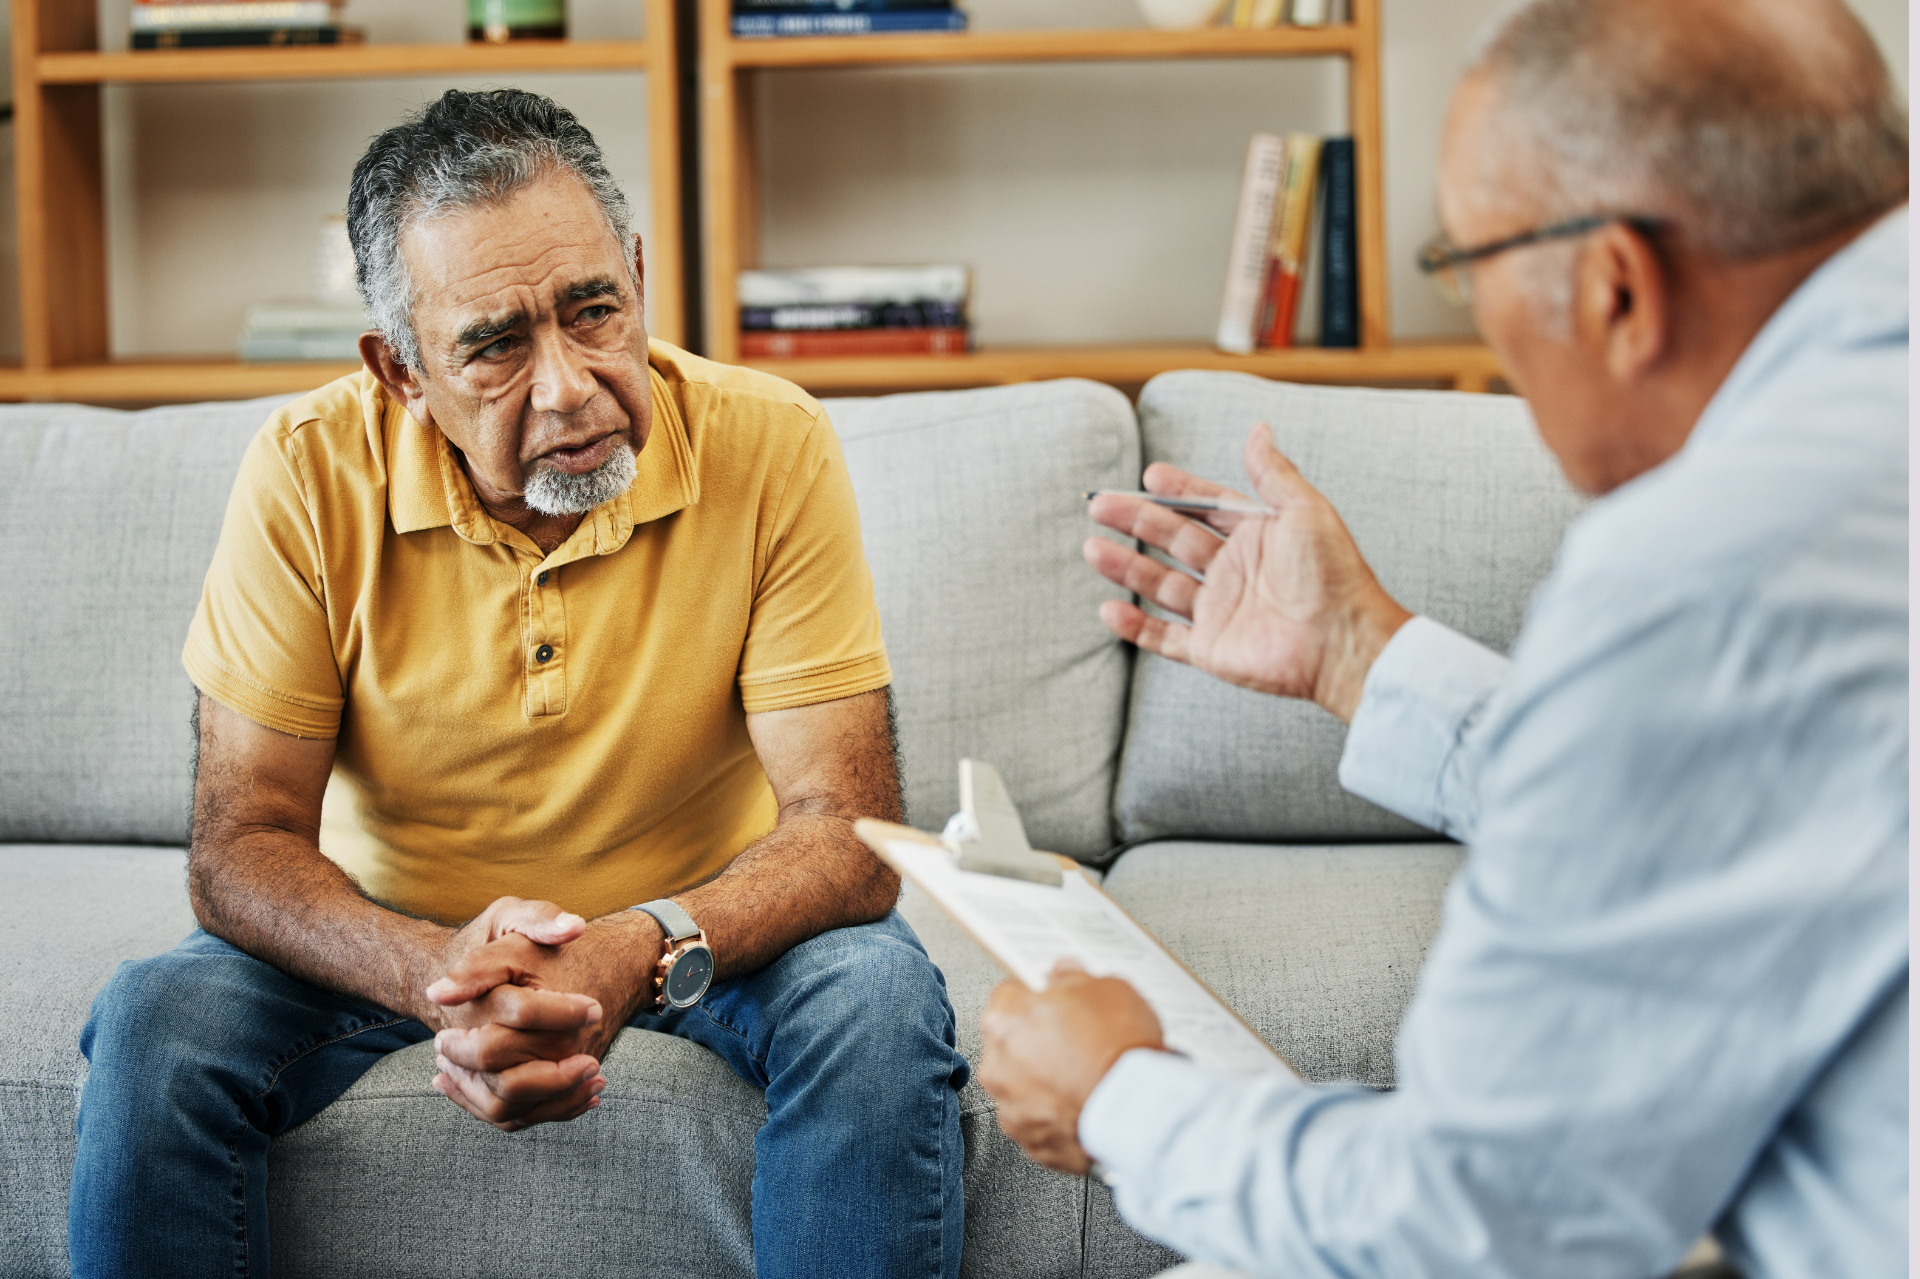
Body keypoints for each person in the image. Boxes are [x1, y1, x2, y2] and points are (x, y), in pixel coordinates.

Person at [976, 2, 1907, 1277]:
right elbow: (1741, 795)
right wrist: (1358, 652)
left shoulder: (1708, 561)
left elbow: (1489, 1221)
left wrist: (1122, 1098)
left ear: (1614, 285)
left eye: (1469, 266)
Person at [69, 89, 967, 1279]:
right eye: (495, 344)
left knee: (878, 1005)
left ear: (638, 274)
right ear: (399, 368)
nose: (570, 388)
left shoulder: (771, 440)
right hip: (396, 932)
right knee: (153, 1024)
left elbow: (846, 834)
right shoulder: (302, 477)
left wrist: (636, 944)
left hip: (710, 926)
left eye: (595, 311)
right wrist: (439, 972)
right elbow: (240, 845)